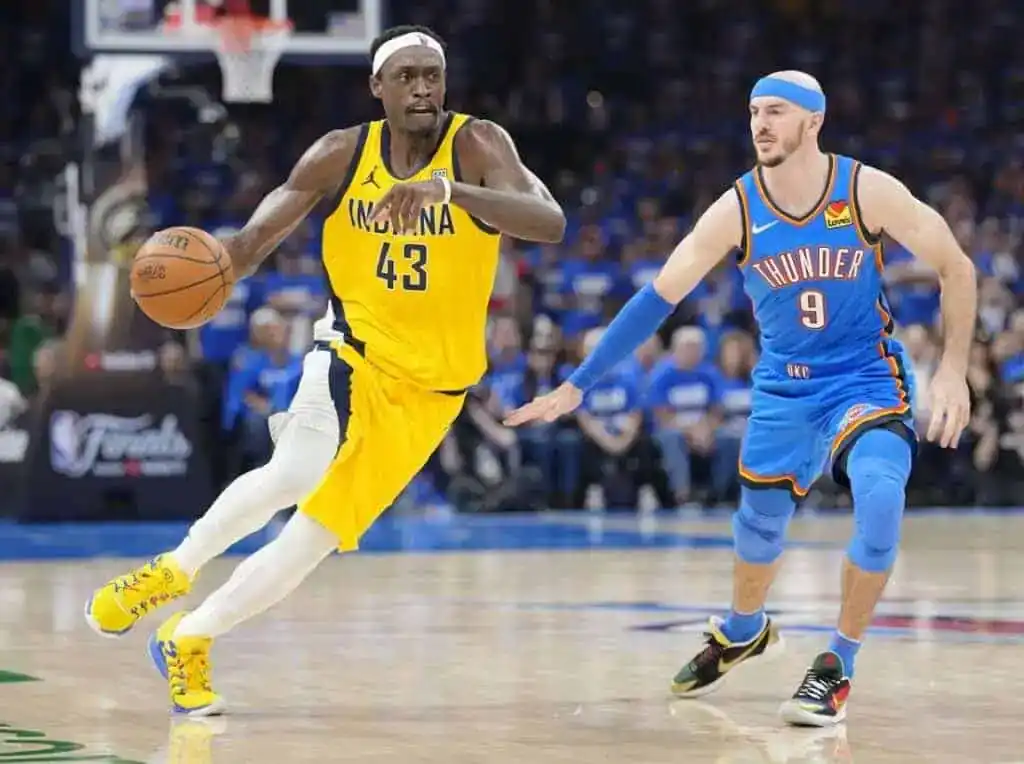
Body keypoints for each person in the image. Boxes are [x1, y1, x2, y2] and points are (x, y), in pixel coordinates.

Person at [84, 24, 565, 717]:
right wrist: (202, 276)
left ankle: (187, 638)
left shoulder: (478, 145)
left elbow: (546, 222)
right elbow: (250, 243)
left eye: (433, 74)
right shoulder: (341, 155)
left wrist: (450, 193)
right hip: (351, 352)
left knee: (311, 543)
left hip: (433, 390)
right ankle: (171, 571)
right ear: (377, 87)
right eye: (406, 76)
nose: (423, 88)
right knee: (297, 470)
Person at [505, 71, 975, 727]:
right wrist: (578, 384)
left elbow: (958, 266)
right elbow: (655, 300)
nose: (760, 123)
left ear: (814, 120)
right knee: (757, 528)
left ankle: (836, 665)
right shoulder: (737, 208)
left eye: (776, 111)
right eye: (754, 111)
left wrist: (952, 371)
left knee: (880, 493)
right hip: (785, 386)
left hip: (864, 378)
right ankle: (744, 629)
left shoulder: (865, 189)